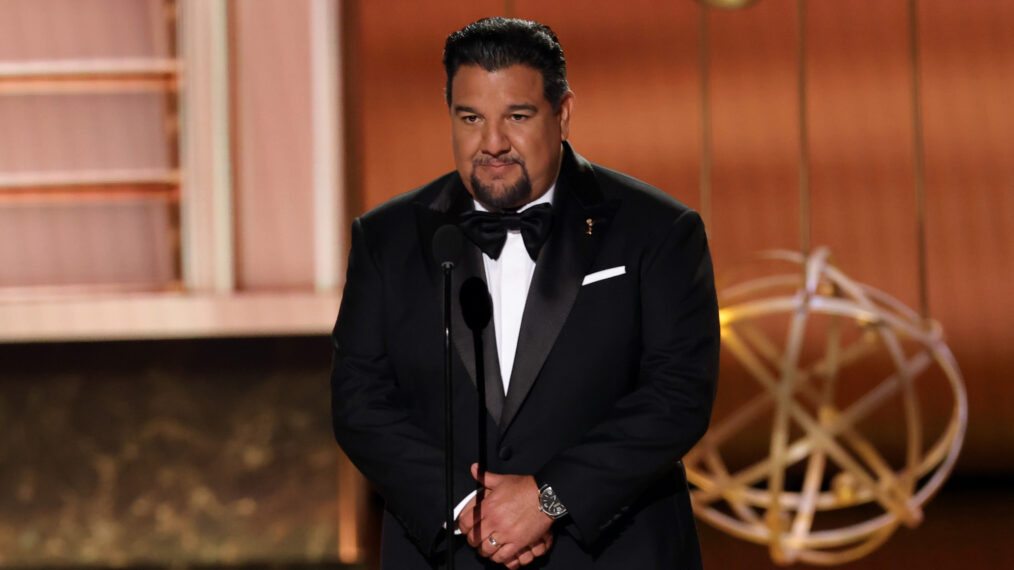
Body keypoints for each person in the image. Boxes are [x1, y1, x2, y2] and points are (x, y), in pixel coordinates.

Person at [331, 17, 719, 569]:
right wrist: (464, 507)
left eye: (517, 116)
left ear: (561, 114)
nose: (492, 144)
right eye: (471, 118)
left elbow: (677, 395)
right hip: (450, 554)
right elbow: (359, 402)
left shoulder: (657, 230)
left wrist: (548, 499)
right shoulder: (387, 239)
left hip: (614, 551)